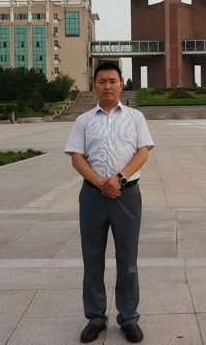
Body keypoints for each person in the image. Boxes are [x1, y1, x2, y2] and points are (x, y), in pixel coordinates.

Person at [65, 63, 154, 344]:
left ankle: (128, 318)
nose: (107, 86)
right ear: (94, 85)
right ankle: (95, 318)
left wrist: (119, 179)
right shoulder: (83, 121)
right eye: (101, 81)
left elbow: (143, 153)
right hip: (93, 196)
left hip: (127, 195)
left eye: (112, 81)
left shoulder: (135, 118)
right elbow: (77, 157)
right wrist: (101, 183)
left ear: (121, 84)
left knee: (128, 260)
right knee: (92, 259)